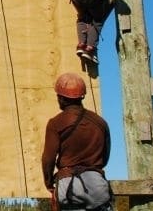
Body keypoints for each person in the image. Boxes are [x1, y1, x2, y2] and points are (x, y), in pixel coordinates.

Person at [42, 73, 112, 211]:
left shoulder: (56, 123)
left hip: (69, 187)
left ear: (61, 98)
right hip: (96, 185)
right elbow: (105, 158)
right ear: (82, 96)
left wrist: (49, 183)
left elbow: (48, 159)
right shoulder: (100, 123)